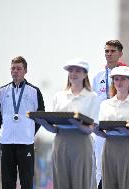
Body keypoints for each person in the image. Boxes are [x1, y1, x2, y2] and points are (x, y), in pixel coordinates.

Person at [36, 58, 100, 189]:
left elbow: (92, 128)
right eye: (71, 70)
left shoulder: (92, 97)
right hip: (61, 142)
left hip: (81, 142)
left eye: (77, 70)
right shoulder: (58, 96)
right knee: (61, 182)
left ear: (85, 74)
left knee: (81, 182)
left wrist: (76, 123)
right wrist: (42, 121)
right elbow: (55, 129)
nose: (73, 73)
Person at [0, 56, 45, 189]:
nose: (15, 71)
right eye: (13, 68)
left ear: (25, 71)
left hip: (25, 142)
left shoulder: (34, 91)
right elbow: (0, 116)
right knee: (7, 182)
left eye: (19, 68)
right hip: (6, 142)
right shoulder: (2, 91)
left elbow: (40, 116)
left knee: (27, 181)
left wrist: (29, 132)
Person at [95, 66, 129, 189]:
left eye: (123, 79)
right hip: (109, 147)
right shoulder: (105, 104)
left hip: (127, 147)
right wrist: (93, 128)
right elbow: (102, 131)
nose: (119, 82)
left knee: (127, 184)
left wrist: (123, 129)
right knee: (108, 185)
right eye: (116, 79)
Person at [92, 40, 125, 188]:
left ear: (120, 54)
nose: (109, 54)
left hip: (119, 129)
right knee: (100, 167)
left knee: (118, 168)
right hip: (100, 129)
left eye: (112, 51)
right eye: (106, 51)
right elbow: (92, 104)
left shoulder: (127, 76)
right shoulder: (97, 77)